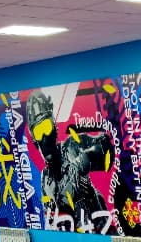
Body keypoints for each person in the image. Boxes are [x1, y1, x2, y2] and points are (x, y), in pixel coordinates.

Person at [25, 90, 114, 233]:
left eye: (46, 127)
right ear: (34, 140)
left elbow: (105, 145)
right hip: (75, 240)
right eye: (38, 132)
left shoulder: (72, 146)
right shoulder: (46, 179)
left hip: (102, 230)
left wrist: (84, 159)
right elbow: (51, 220)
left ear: (54, 127)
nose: (44, 137)